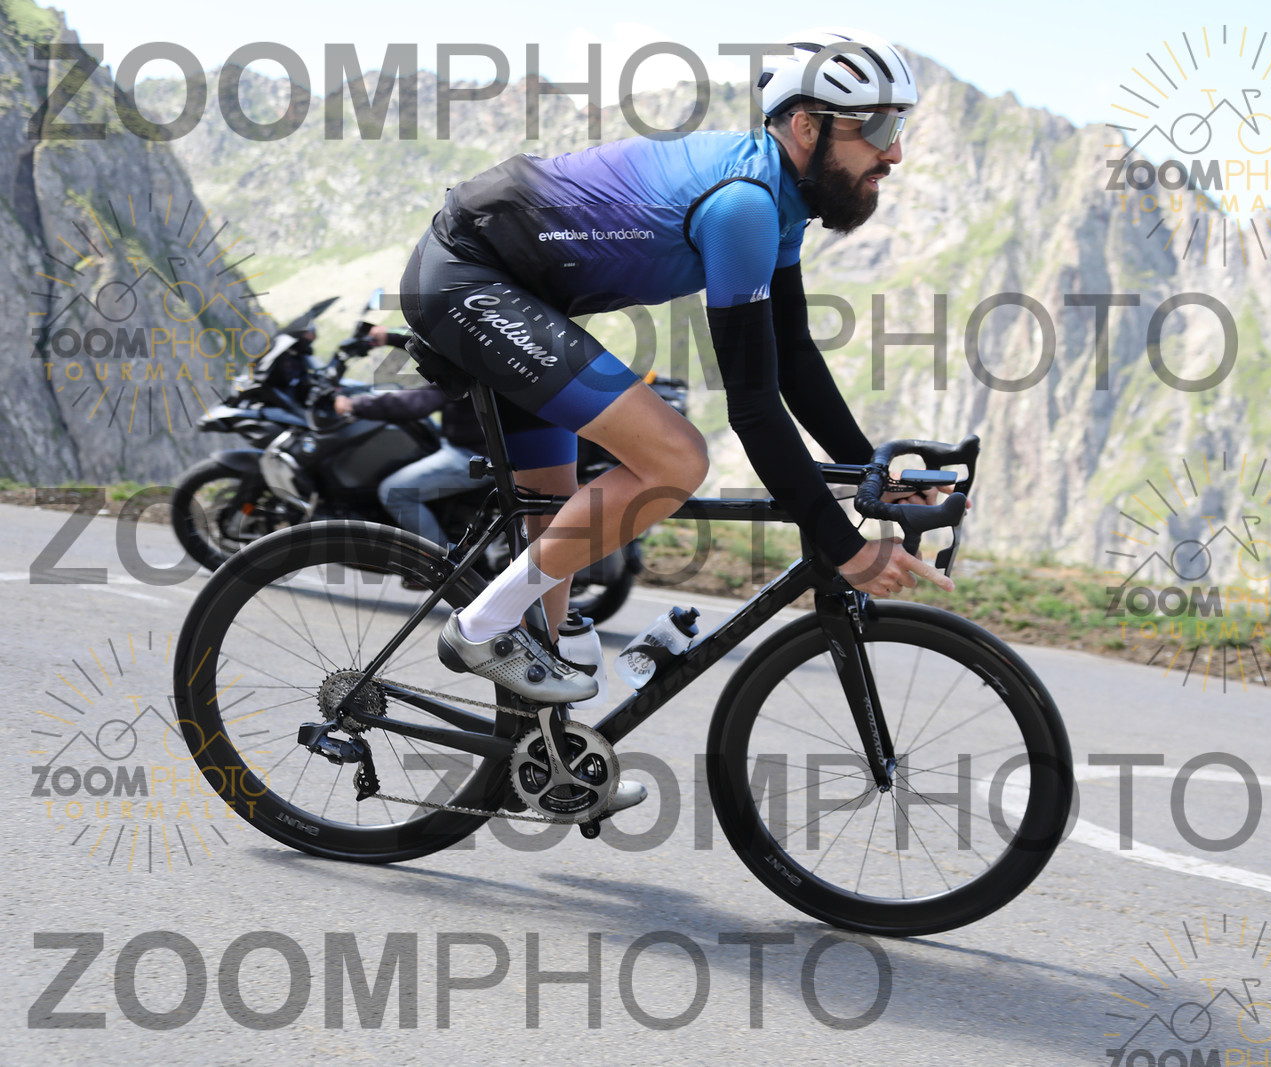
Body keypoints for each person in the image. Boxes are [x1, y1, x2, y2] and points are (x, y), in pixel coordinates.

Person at [402, 28, 956, 811]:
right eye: (878, 128)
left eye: (898, 127)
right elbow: (754, 408)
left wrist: (873, 473)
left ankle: (550, 762)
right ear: (807, 126)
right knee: (675, 459)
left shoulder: (780, 204)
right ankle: (480, 626)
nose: (893, 152)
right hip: (469, 277)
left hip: (521, 291)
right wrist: (846, 548)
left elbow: (793, 360)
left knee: (557, 526)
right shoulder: (744, 206)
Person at [332, 326, 490, 548]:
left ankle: (445, 559)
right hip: (473, 440)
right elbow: (433, 346)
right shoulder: (476, 344)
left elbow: (416, 404)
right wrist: (389, 337)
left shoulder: (461, 362)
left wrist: (354, 405)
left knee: (394, 493)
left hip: (473, 453)